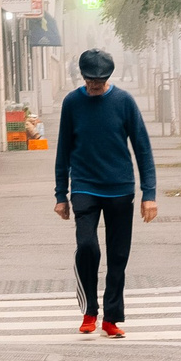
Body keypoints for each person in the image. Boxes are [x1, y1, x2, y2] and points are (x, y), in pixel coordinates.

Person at [52, 48, 157, 337]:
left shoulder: (124, 102)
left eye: (99, 80)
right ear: (83, 76)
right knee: (87, 246)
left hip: (120, 188)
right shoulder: (72, 103)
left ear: (108, 77)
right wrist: (61, 194)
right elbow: (63, 149)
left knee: (118, 256)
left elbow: (143, 148)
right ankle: (89, 311)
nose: (94, 84)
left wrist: (149, 194)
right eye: (90, 79)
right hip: (84, 186)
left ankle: (111, 318)